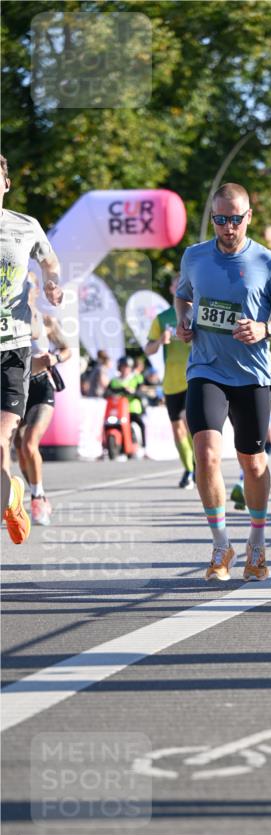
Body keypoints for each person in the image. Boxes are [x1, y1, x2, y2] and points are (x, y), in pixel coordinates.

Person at [175, 181, 271, 583]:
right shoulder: (194, 257)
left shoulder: (268, 262)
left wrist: (265, 328)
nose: (228, 227)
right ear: (213, 218)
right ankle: (220, 545)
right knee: (207, 455)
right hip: (206, 369)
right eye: (220, 219)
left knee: (252, 462)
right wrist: (184, 319)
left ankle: (257, 543)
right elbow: (184, 296)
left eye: (235, 219)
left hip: (251, 375)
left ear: (249, 217)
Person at [1, 154, 63, 544]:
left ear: (5, 184)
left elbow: (50, 262)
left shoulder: (25, 226)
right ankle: (12, 498)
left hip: (13, 347)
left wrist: (53, 282)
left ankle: (16, 496)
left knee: (4, 437)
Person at [14, 274, 71, 526]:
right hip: (14, 389)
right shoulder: (8, 320)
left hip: (40, 387)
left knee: (29, 444)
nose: (25, 289)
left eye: (30, 285)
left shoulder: (46, 320)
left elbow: (66, 349)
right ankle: (31, 491)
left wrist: (55, 359)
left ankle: (38, 497)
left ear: (36, 290)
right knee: (17, 448)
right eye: (21, 284)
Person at [146, 273, 195, 488]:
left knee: (188, 421)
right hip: (171, 382)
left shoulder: (197, 313)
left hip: (193, 378)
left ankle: (198, 465)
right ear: (172, 289)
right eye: (176, 284)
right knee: (177, 429)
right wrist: (159, 341)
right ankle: (189, 469)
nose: (180, 288)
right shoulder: (163, 318)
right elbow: (148, 349)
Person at [107, 356, 146, 453]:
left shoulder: (136, 378)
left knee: (141, 425)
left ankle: (143, 446)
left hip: (133, 409)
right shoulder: (114, 380)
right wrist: (119, 391)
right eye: (123, 367)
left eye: (127, 367)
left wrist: (133, 392)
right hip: (117, 410)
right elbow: (107, 392)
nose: (125, 369)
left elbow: (142, 392)